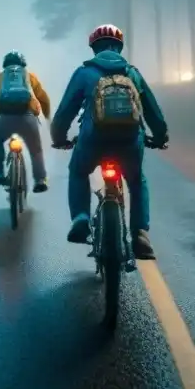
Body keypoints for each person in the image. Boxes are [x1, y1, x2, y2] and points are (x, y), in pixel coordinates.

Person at [50, 23, 169, 260]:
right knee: (136, 180)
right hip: (129, 141)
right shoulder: (132, 73)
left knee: (78, 171)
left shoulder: (84, 73)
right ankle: (140, 235)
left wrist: (59, 138)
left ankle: (81, 218)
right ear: (119, 47)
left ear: (94, 48)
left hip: (92, 140)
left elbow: (65, 112)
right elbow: (152, 111)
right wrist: (160, 136)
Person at [0, 50, 52, 193]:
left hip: (6, 118)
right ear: (23, 63)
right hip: (27, 118)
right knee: (35, 149)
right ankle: (40, 180)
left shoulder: (1, 77)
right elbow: (43, 97)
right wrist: (47, 114)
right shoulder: (29, 76)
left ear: (5, 64)